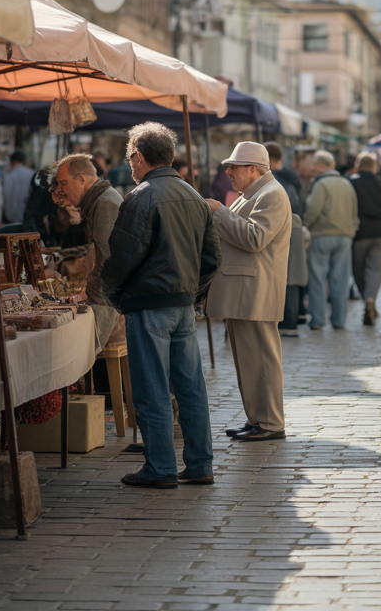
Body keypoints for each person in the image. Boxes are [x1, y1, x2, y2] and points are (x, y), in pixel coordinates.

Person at [102, 123, 220, 488]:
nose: (131, 164)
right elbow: (212, 258)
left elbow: (123, 255)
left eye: (130, 158)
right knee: (190, 388)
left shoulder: (142, 195)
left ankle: (160, 468)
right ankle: (199, 464)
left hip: (150, 303)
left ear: (139, 155)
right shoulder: (192, 195)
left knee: (152, 388)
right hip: (182, 304)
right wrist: (191, 292)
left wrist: (115, 294)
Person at [205, 142, 292, 441]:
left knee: (262, 359)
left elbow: (255, 238)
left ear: (253, 169)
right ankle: (257, 419)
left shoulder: (272, 195)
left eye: (234, 167)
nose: (228, 171)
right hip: (245, 290)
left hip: (256, 291)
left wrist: (218, 212)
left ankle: (269, 423)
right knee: (249, 361)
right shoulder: (255, 193)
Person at [54, 153, 123, 351]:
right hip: (105, 299)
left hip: (107, 304)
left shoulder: (105, 203)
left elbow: (107, 260)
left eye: (64, 183)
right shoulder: (100, 200)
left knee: (72, 349)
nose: (61, 191)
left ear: (82, 179)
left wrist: (89, 296)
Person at [302, 150, 357, 331]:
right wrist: (350, 231)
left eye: (314, 165)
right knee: (340, 280)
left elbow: (314, 210)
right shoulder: (346, 183)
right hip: (344, 237)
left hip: (322, 235)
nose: (312, 169)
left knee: (317, 279)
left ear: (321, 165)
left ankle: (317, 321)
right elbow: (354, 212)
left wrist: (305, 225)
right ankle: (339, 320)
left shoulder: (321, 184)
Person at [265, 142, 307, 335]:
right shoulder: (293, 178)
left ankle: (286, 320)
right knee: (293, 274)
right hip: (295, 228)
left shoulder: (274, 181)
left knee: (284, 275)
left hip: (281, 228)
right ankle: (294, 317)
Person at [348, 152, 381, 326]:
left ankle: (367, 300)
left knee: (357, 269)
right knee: (376, 270)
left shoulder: (352, 182)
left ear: (359, 164)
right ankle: (370, 300)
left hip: (360, 232)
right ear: (374, 166)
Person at [2, 150, 33, 225]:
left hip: (11, 221)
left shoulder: (9, 177)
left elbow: (5, 198)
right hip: (28, 221)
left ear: (12, 161)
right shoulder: (32, 174)